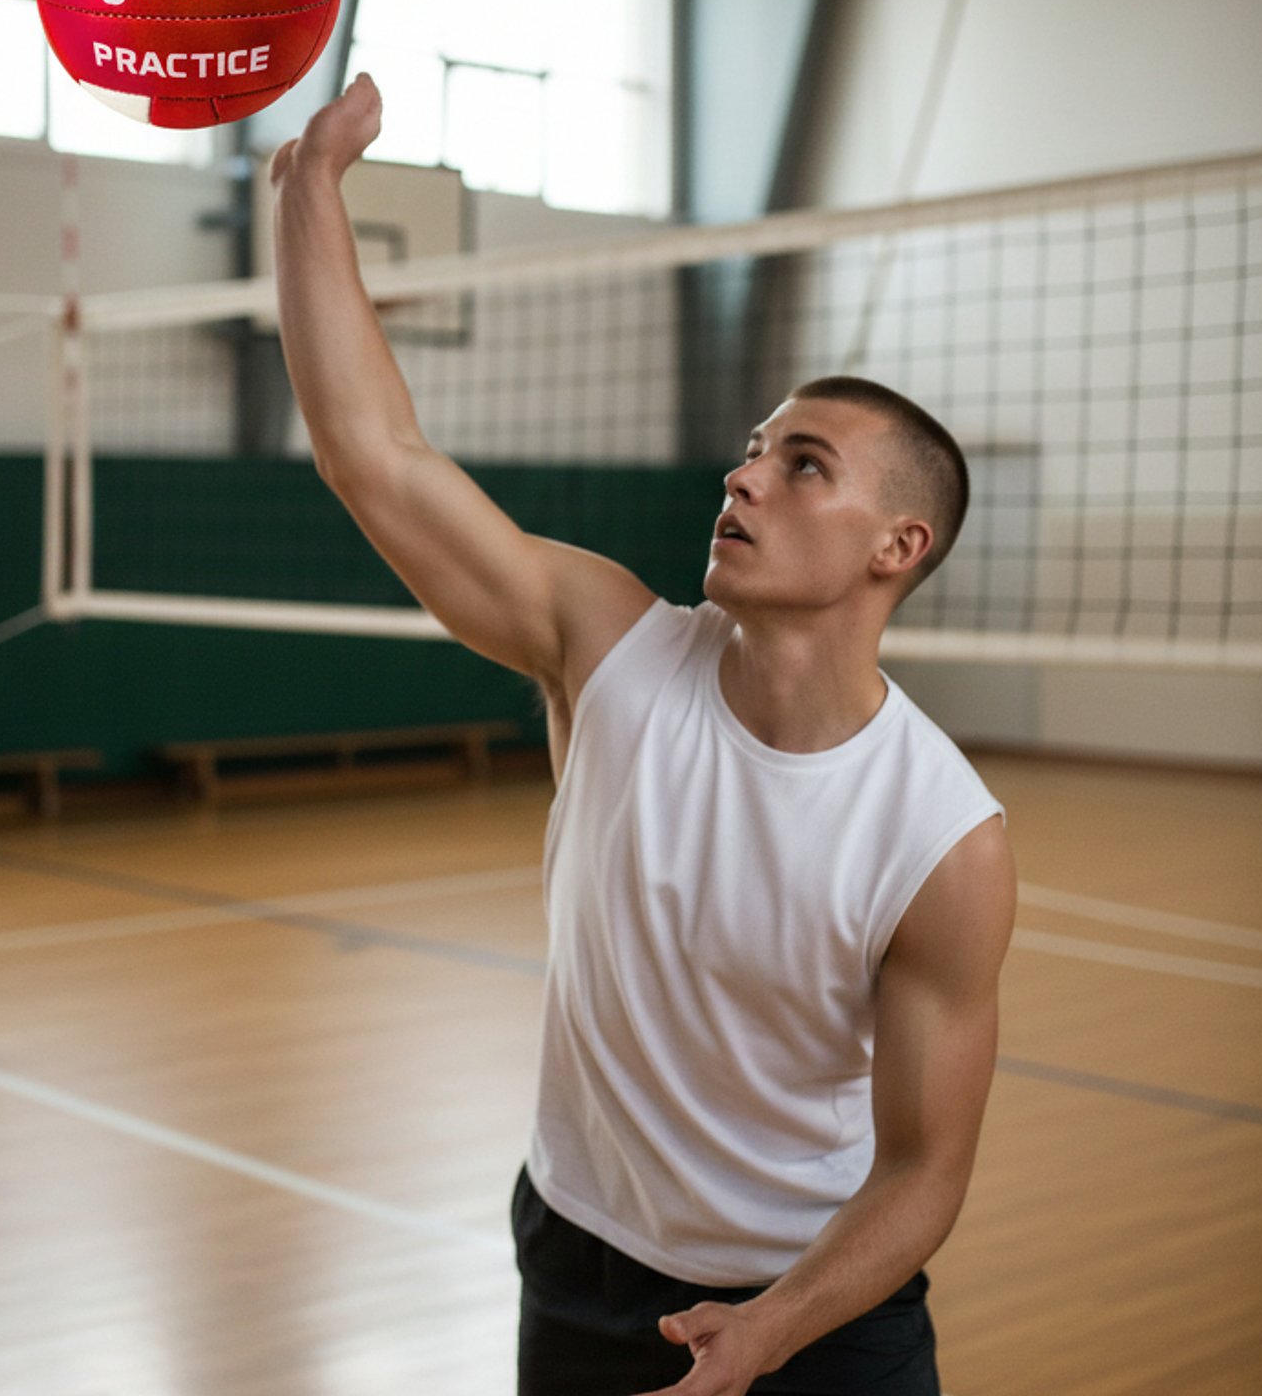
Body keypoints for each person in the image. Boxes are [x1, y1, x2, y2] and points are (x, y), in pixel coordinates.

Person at [269, 74, 1017, 1396]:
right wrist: (308, 187)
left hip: (816, 1300)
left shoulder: (943, 840)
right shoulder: (607, 646)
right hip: (579, 1255)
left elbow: (922, 1175)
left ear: (898, 548)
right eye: (753, 447)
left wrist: (773, 1330)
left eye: (804, 467)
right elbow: (375, 456)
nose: (744, 475)